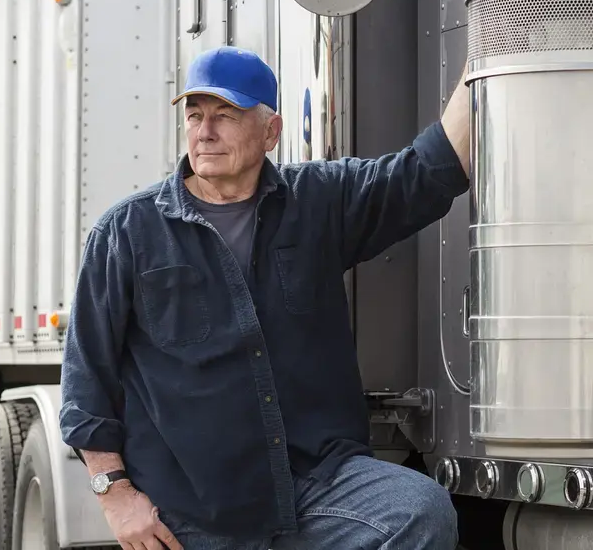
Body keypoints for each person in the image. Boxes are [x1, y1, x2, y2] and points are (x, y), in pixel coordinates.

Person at [58, 45, 470, 550]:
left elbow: (429, 171)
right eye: (194, 115)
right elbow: (86, 380)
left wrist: (495, 33)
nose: (204, 132)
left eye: (225, 115)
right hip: (192, 510)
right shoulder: (127, 232)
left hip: (316, 488)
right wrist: (115, 495)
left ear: (270, 131)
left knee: (419, 512)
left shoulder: (318, 202)